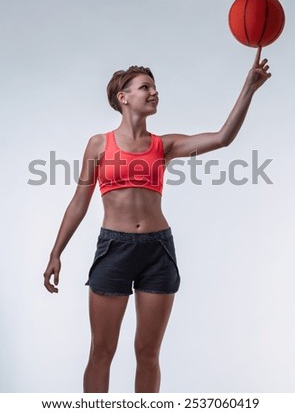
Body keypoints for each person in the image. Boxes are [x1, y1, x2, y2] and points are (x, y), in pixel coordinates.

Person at [43, 47, 271, 393]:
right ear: (123, 97)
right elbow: (79, 202)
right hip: (114, 249)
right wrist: (56, 252)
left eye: (155, 87)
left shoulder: (164, 145)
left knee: (148, 353)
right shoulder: (98, 145)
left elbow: (223, 138)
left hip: (157, 250)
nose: (154, 92)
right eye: (145, 87)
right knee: (102, 351)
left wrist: (249, 88)